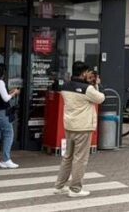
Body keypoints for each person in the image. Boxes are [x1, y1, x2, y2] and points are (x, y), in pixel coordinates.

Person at [53, 61, 105, 197]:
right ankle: (75, 189)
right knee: (80, 158)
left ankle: (59, 185)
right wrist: (96, 83)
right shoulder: (87, 89)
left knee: (68, 156)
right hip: (83, 127)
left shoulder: (65, 86)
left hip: (70, 125)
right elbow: (101, 98)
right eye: (88, 72)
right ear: (83, 73)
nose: (89, 74)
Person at [0, 64, 20, 169]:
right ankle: (6, 159)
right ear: (2, 73)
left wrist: (9, 93)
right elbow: (5, 99)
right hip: (1, 112)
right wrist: (14, 93)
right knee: (9, 133)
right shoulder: (0, 82)